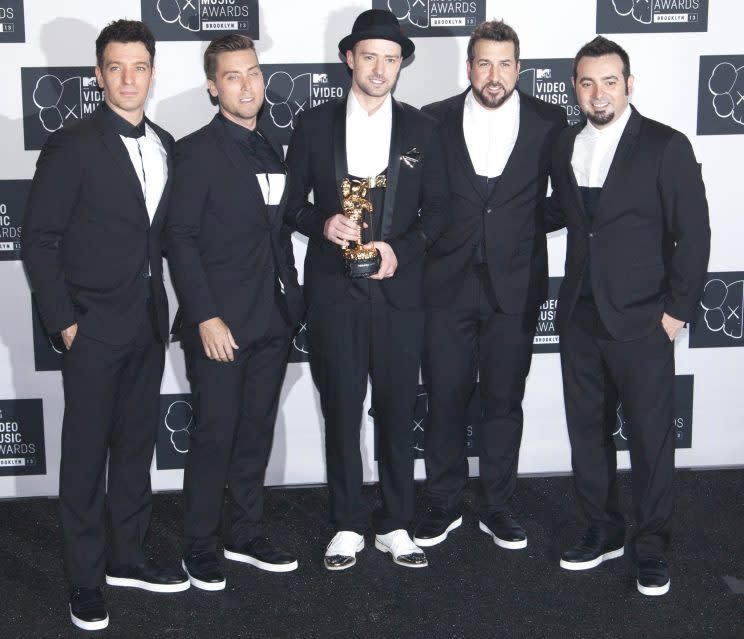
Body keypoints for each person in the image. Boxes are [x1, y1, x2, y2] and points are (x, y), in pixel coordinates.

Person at [22, 19, 188, 632]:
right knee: (86, 458)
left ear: (151, 72)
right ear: (98, 75)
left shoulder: (166, 141)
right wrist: (65, 325)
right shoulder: (72, 143)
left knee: (136, 449)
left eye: (138, 67)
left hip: (147, 325)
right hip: (91, 329)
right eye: (115, 67)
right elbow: (38, 241)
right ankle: (86, 580)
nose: (127, 78)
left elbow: (163, 238)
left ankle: (126, 555)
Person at [283, 8, 449, 570]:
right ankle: (348, 523)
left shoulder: (425, 130)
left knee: (400, 412)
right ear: (349, 58)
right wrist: (322, 223)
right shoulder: (312, 125)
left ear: (401, 64)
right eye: (370, 56)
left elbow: (442, 211)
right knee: (342, 411)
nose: (380, 68)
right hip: (333, 295)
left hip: (400, 297)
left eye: (391, 58)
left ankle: (397, 523)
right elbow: (290, 208)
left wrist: (402, 247)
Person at [548, 36, 710, 596]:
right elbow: (561, 215)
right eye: (587, 82)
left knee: (649, 439)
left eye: (609, 81)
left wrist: (676, 315)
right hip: (580, 317)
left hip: (644, 322)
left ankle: (652, 547)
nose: (598, 93)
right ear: (576, 88)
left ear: (629, 84)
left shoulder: (666, 146)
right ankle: (602, 530)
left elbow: (693, 236)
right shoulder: (565, 143)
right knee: (587, 435)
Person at [414, 20, 566, 550]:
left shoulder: (551, 122)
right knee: (446, 400)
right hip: (446, 284)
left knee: (503, 402)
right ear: (470, 67)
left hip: (516, 286)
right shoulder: (433, 121)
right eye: (484, 63)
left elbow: (567, 197)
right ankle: (442, 503)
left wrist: (522, 227)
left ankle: (497, 506)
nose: (494, 76)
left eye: (504, 65)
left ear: (519, 69)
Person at [166, 34, 305, 590]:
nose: (247, 85)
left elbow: (277, 232)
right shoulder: (196, 150)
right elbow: (180, 237)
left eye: (253, 73)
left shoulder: (273, 146)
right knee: (215, 435)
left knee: (255, 433)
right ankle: (198, 544)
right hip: (220, 324)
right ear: (212, 86)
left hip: (273, 318)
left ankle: (244, 533)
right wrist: (204, 315)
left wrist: (292, 302)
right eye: (232, 76)